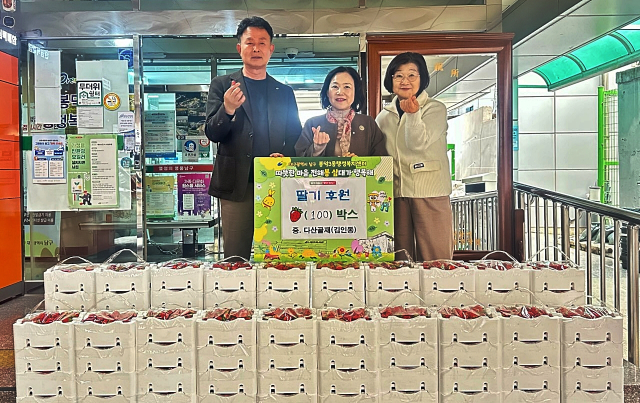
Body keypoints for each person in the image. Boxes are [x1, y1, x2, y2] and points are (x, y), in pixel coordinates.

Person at [205, 16, 302, 260]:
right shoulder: (222, 85)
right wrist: (227, 109)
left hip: (274, 183)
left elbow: (295, 136)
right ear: (240, 48)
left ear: (271, 49)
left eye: (262, 42)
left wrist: (285, 156)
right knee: (235, 257)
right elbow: (212, 133)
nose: (256, 48)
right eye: (250, 42)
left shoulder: (284, 92)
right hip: (236, 183)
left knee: (276, 254)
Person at [375, 52, 454, 262]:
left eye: (412, 75)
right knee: (401, 258)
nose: (405, 81)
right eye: (398, 75)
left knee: (436, 259)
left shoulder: (435, 109)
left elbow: (417, 144)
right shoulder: (383, 117)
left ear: (422, 79)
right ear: (391, 80)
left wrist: (412, 114)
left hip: (430, 193)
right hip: (397, 194)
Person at [295, 66, 387, 157]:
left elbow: (381, 159)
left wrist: (359, 163)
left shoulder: (368, 123)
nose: (340, 92)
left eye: (347, 87)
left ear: (355, 92)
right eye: (335, 86)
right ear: (327, 92)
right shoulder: (312, 124)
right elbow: (298, 159)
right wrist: (316, 149)